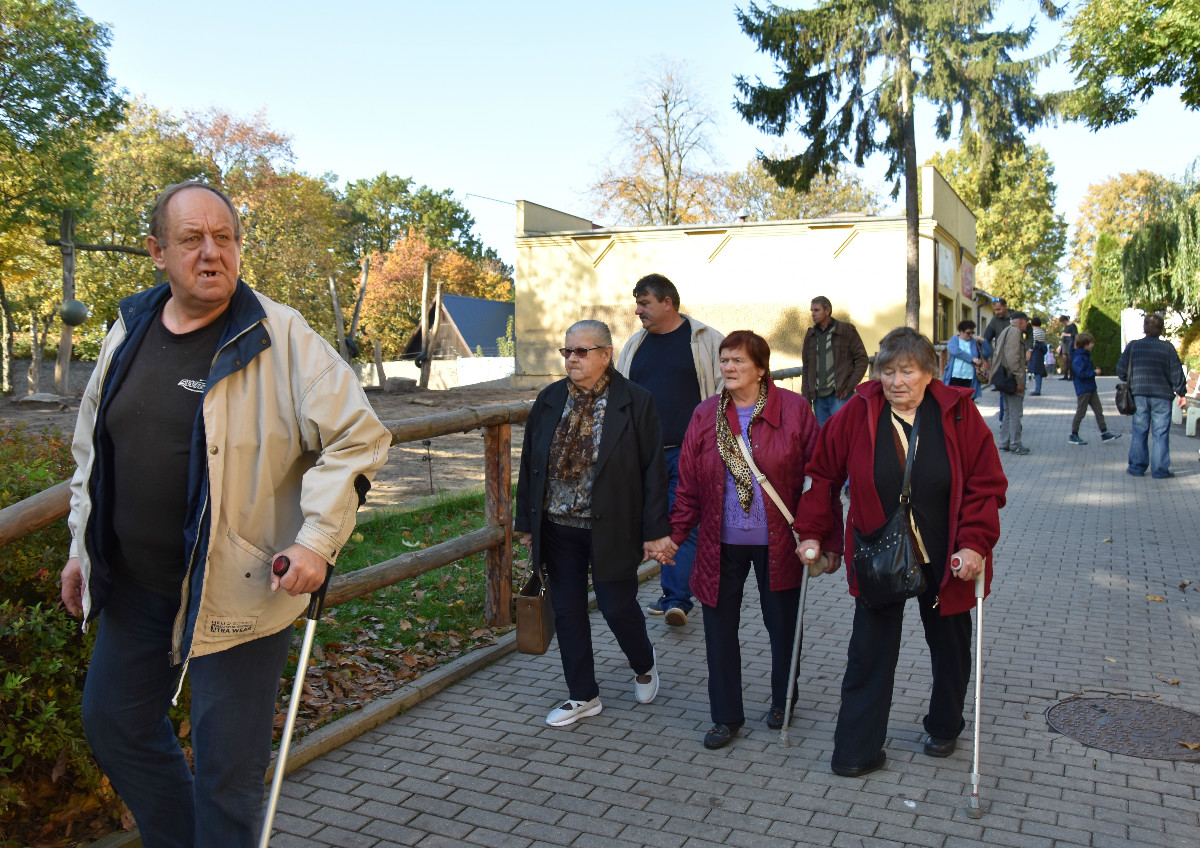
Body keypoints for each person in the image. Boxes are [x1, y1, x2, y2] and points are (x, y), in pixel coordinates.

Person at [59, 182, 392, 847]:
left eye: (224, 238)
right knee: (115, 723)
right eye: (191, 239)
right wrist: (79, 548)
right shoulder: (129, 328)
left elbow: (358, 437)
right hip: (138, 587)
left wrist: (316, 541)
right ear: (157, 251)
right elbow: (91, 449)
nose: (211, 253)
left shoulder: (281, 335)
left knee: (226, 777)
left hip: (242, 587)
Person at [795, 327, 1007, 777]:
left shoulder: (958, 413)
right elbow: (822, 474)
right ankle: (856, 751)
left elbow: (985, 485)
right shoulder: (858, 412)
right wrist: (814, 534)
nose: (896, 381)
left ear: (929, 373)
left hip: (946, 557)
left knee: (950, 648)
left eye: (907, 371)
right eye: (887, 371)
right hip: (879, 551)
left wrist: (974, 544)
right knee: (868, 653)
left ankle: (944, 726)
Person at [650, 330, 839, 749]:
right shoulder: (705, 415)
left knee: (782, 626)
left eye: (738, 361)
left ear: (761, 368)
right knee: (719, 632)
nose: (729, 368)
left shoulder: (794, 410)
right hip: (719, 542)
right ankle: (725, 716)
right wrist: (674, 537)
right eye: (724, 360)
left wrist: (818, 535)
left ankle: (782, 701)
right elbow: (689, 486)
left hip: (779, 541)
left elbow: (817, 477)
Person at [516, 319, 670, 727]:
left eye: (581, 351)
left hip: (612, 526)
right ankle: (583, 695)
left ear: (606, 354)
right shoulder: (550, 399)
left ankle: (643, 662)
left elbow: (654, 472)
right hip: (557, 526)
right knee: (567, 611)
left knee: (617, 606)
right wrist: (526, 521)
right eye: (567, 351)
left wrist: (655, 530)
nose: (572, 359)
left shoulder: (636, 401)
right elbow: (530, 463)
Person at [616, 273, 723, 628]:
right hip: (643, 455)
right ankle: (668, 592)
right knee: (651, 522)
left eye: (644, 303)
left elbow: (725, 390)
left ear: (667, 303)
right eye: (637, 304)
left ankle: (677, 598)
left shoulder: (706, 340)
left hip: (689, 452)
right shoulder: (634, 346)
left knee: (684, 523)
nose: (637, 311)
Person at [1116, 313, 1187, 478]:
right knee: (1161, 433)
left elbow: (1121, 370)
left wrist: (1133, 380)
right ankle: (1160, 470)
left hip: (1139, 395)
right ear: (1161, 329)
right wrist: (1181, 393)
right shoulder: (1167, 348)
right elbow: (1176, 372)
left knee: (1139, 431)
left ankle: (1136, 467)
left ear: (1144, 328)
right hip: (1162, 397)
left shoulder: (1134, 346)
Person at [801, 296, 869, 426]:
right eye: (811, 310)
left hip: (840, 395)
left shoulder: (846, 331)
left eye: (816, 310)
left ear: (827, 310)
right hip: (818, 398)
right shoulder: (811, 335)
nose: (813, 314)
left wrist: (849, 386)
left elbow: (862, 359)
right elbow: (806, 367)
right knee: (824, 435)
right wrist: (806, 397)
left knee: (842, 432)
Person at [1069, 333, 1122, 446]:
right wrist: (1093, 373)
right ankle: (1074, 434)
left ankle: (1104, 432)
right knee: (1081, 412)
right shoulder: (1079, 357)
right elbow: (1080, 374)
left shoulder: (1084, 355)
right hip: (1083, 389)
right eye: (1091, 343)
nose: (1093, 345)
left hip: (1091, 388)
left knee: (1099, 410)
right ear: (1085, 345)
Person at [993, 310, 1031, 455]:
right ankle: (1015, 444)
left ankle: (1004, 443)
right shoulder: (1015, 332)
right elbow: (1013, 357)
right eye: (1026, 322)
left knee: (1008, 412)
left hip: (1004, 378)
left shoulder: (1006, 331)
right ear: (1021, 321)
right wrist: (1019, 379)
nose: (1027, 325)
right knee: (1015, 413)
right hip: (1012, 379)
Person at [942, 319, 988, 400]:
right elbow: (955, 351)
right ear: (961, 331)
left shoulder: (974, 342)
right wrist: (972, 359)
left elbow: (987, 353)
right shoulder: (954, 340)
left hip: (970, 377)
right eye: (968, 333)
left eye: (972, 333)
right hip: (955, 376)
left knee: (968, 401)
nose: (970, 335)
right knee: (953, 400)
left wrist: (984, 342)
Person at [1028, 317, 1048, 395]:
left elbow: (1032, 344)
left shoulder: (1034, 332)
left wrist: (1029, 352)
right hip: (1041, 352)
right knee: (1039, 370)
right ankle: (1038, 388)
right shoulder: (1042, 332)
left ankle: (1037, 390)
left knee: (1036, 371)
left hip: (1035, 352)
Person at [1058, 315, 1078, 379]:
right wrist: (1060, 346)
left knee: (1070, 360)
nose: (1062, 323)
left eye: (1062, 322)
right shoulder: (1066, 326)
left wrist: (1066, 334)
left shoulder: (1072, 325)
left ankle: (1071, 375)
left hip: (1070, 342)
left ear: (1064, 320)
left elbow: (1075, 334)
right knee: (1065, 360)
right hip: (1064, 343)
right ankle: (1065, 375)